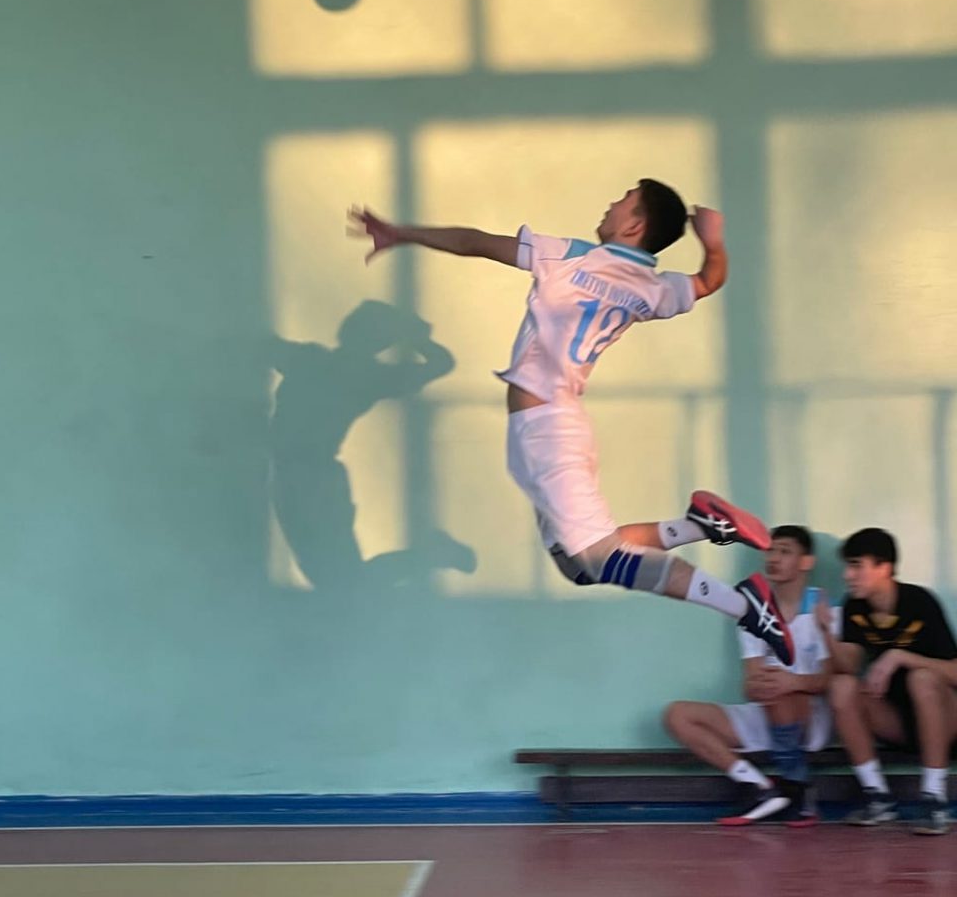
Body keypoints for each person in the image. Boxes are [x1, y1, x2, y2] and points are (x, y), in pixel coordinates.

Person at [348, 180, 793, 662]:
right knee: (576, 566)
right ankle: (701, 524)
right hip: (547, 428)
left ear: (634, 225)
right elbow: (709, 280)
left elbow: (475, 242)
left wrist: (403, 233)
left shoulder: (569, 256)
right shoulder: (654, 288)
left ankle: (744, 606)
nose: (611, 203)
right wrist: (713, 240)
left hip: (549, 431)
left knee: (599, 558)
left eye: (623, 200)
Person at [663, 525, 829, 825]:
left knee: (779, 688)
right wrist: (759, 686)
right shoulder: (753, 612)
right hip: (766, 709)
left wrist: (792, 682)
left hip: (809, 718)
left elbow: (830, 681)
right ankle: (760, 787)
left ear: (806, 562)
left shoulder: (823, 607)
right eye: (770, 551)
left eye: (784, 551)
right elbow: (750, 685)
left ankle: (798, 786)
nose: (773, 558)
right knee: (677, 715)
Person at [818, 527, 957, 835]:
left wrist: (901, 657)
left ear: (884, 567)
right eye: (847, 566)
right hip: (899, 722)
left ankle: (934, 798)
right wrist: (826, 633)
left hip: (946, 720)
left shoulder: (919, 602)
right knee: (842, 686)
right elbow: (848, 665)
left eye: (857, 566)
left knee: (922, 679)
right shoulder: (855, 607)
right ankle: (878, 797)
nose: (847, 575)